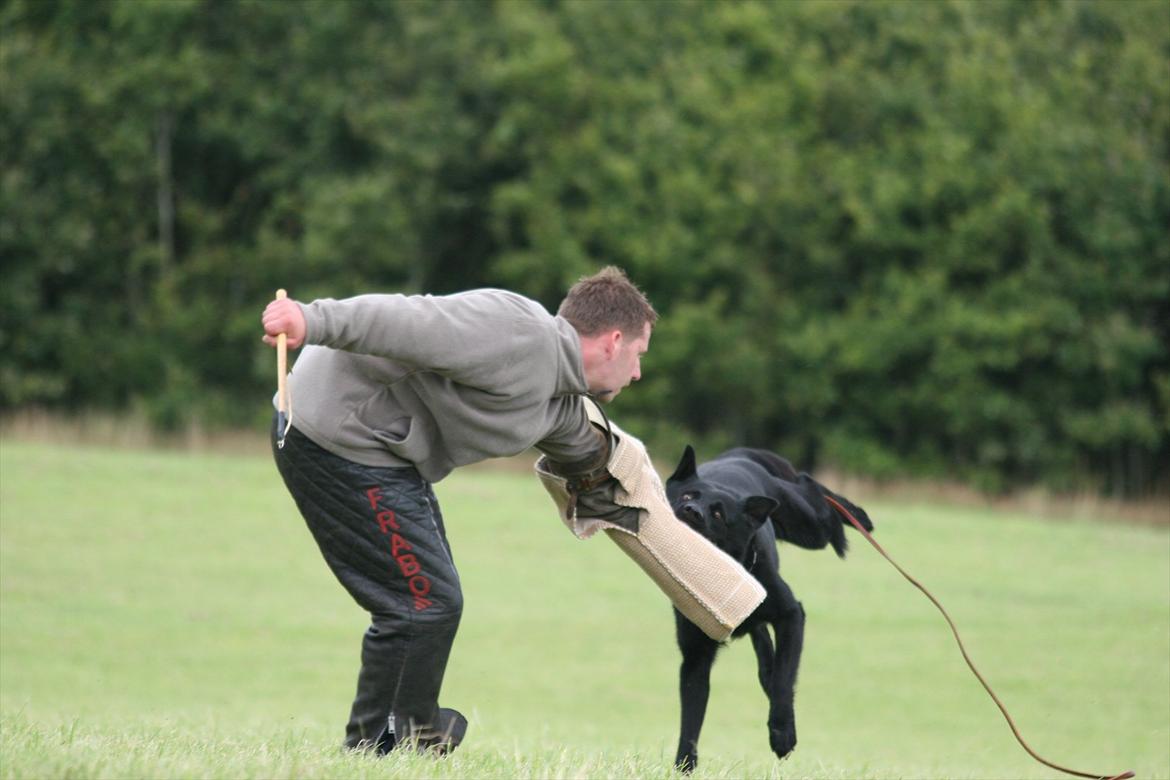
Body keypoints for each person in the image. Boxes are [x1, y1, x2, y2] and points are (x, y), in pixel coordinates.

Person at [260, 267, 657, 755]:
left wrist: (647, 512)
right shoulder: (517, 333)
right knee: (422, 602)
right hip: (333, 433)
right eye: (639, 355)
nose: (638, 373)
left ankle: (408, 737)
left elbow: (585, 450)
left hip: (383, 453)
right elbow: (407, 319)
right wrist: (310, 318)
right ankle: (376, 747)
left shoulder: (558, 399)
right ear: (614, 341)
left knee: (430, 600)